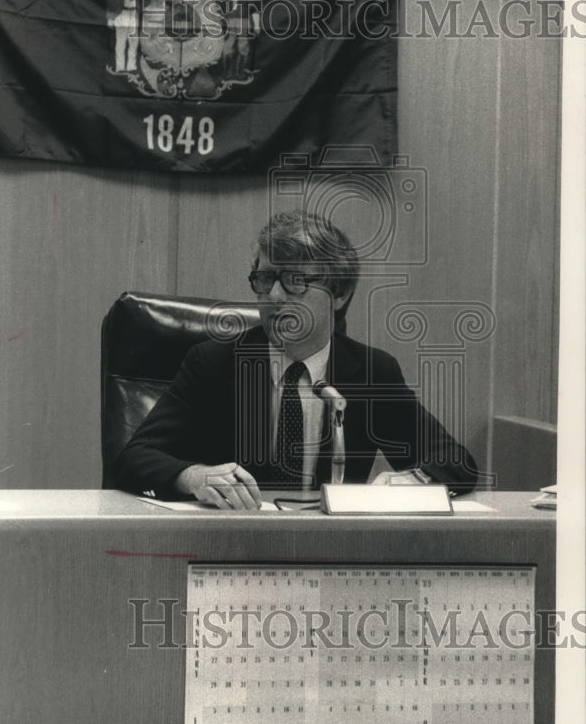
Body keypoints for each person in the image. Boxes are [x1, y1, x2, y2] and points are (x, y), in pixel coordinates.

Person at [114, 210, 479, 509]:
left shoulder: (371, 372)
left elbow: (457, 462)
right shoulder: (214, 363)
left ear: (339, 293)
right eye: (265, 278)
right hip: (230, 543)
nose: (273, 295)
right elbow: (134, 458)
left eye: (295, 281)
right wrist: (193, 476)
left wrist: (413, 479)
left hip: (331, 553)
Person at [106, 0, 143, 73]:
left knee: (134, 40)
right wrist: (111, 17)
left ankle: (131, 66)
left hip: (133, 13)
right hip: (121, 13)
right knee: (121, 41)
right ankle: (120, 66)